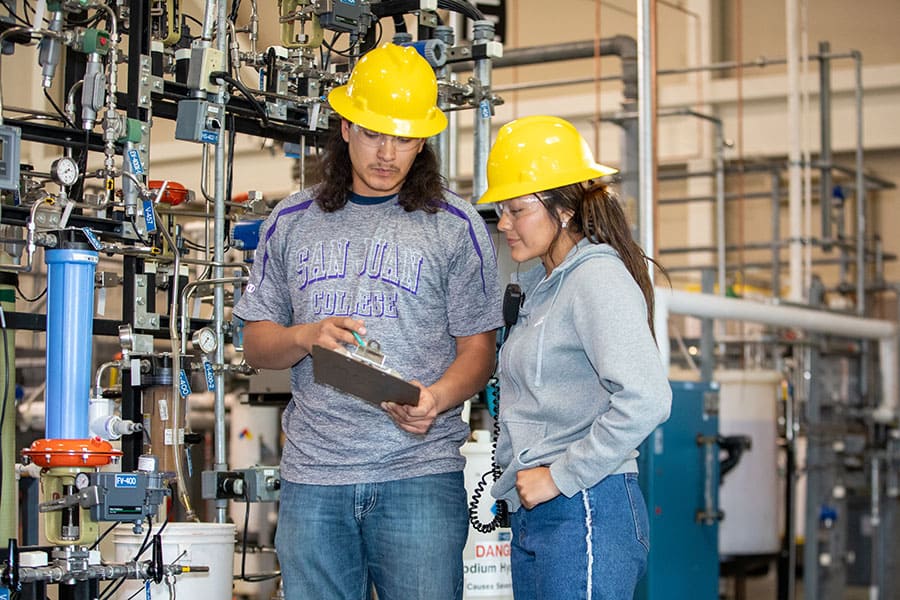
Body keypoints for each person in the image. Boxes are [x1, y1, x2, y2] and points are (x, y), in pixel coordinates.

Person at [233, 43, 503, 599]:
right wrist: (306, 336)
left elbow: (480, 351)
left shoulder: (454, 226)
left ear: (423, 140)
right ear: (346, 127)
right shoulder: (291, 220)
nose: (387, 153)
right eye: (374, 133)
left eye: (403, 138)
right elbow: (257, 344)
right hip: (313, 480)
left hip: (419, 474)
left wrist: (437, 398)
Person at [476, 115, 672, 600]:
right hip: (539, 510)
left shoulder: (595, 279)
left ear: (562, 210)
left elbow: (647, 399)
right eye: (501, 210)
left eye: (517, 210)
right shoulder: (547, 285)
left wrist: (559, 477)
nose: (504, 224)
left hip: (584, 504)